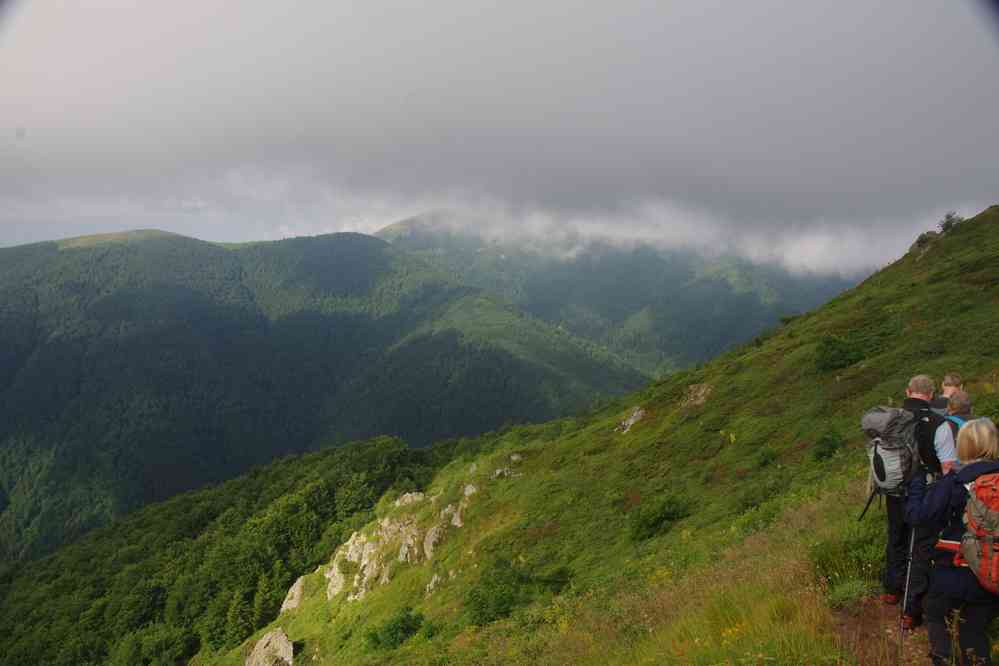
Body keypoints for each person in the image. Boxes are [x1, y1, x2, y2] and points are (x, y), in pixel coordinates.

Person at [905, 418, 999, 665]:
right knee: (975, 633)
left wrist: (916, 486)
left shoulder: (953, 484)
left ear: (963, 446)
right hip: (992, 572)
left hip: (954, 573)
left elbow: (919, 518)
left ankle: (943, 658)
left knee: (936, 617)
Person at [881, 375, 946, 629]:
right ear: (931, 394)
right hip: (925, 491)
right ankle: (911, 610)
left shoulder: (891, 420)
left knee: (896, 536)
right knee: (920, 546)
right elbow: (948, 466)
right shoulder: (939, 423)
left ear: (908, 391)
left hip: (894, 489)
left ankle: (891, 589)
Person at [934, 390, 972, 472]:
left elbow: (947, 464)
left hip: (961, 477)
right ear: (971, 407)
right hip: (988, 476)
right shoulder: (985, 423)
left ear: (949, 407)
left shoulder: (946, 427)